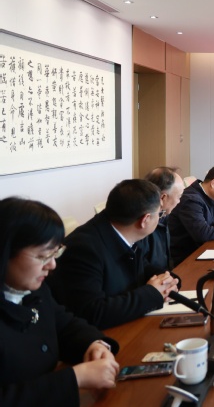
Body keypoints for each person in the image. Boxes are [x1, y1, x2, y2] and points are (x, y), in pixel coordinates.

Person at [0, 198, 120, 406]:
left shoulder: (31, 289)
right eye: (43, 256)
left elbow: (64, 324)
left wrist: (94, 344)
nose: (52, 265)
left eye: (55, 253)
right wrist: (75, 378)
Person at [48, 180, 180, 329]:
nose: (160, 217)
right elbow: (93, 312)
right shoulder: (83, 250)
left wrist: (166, 279)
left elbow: (140, 264)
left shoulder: (124, 228)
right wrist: (151, 294)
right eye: (160, 213)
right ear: (145, 220)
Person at [142, 166, 185, 271]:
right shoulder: (143, 224)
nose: (179, 201)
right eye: (179, 197)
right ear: (162, 198)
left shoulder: (164, 216)